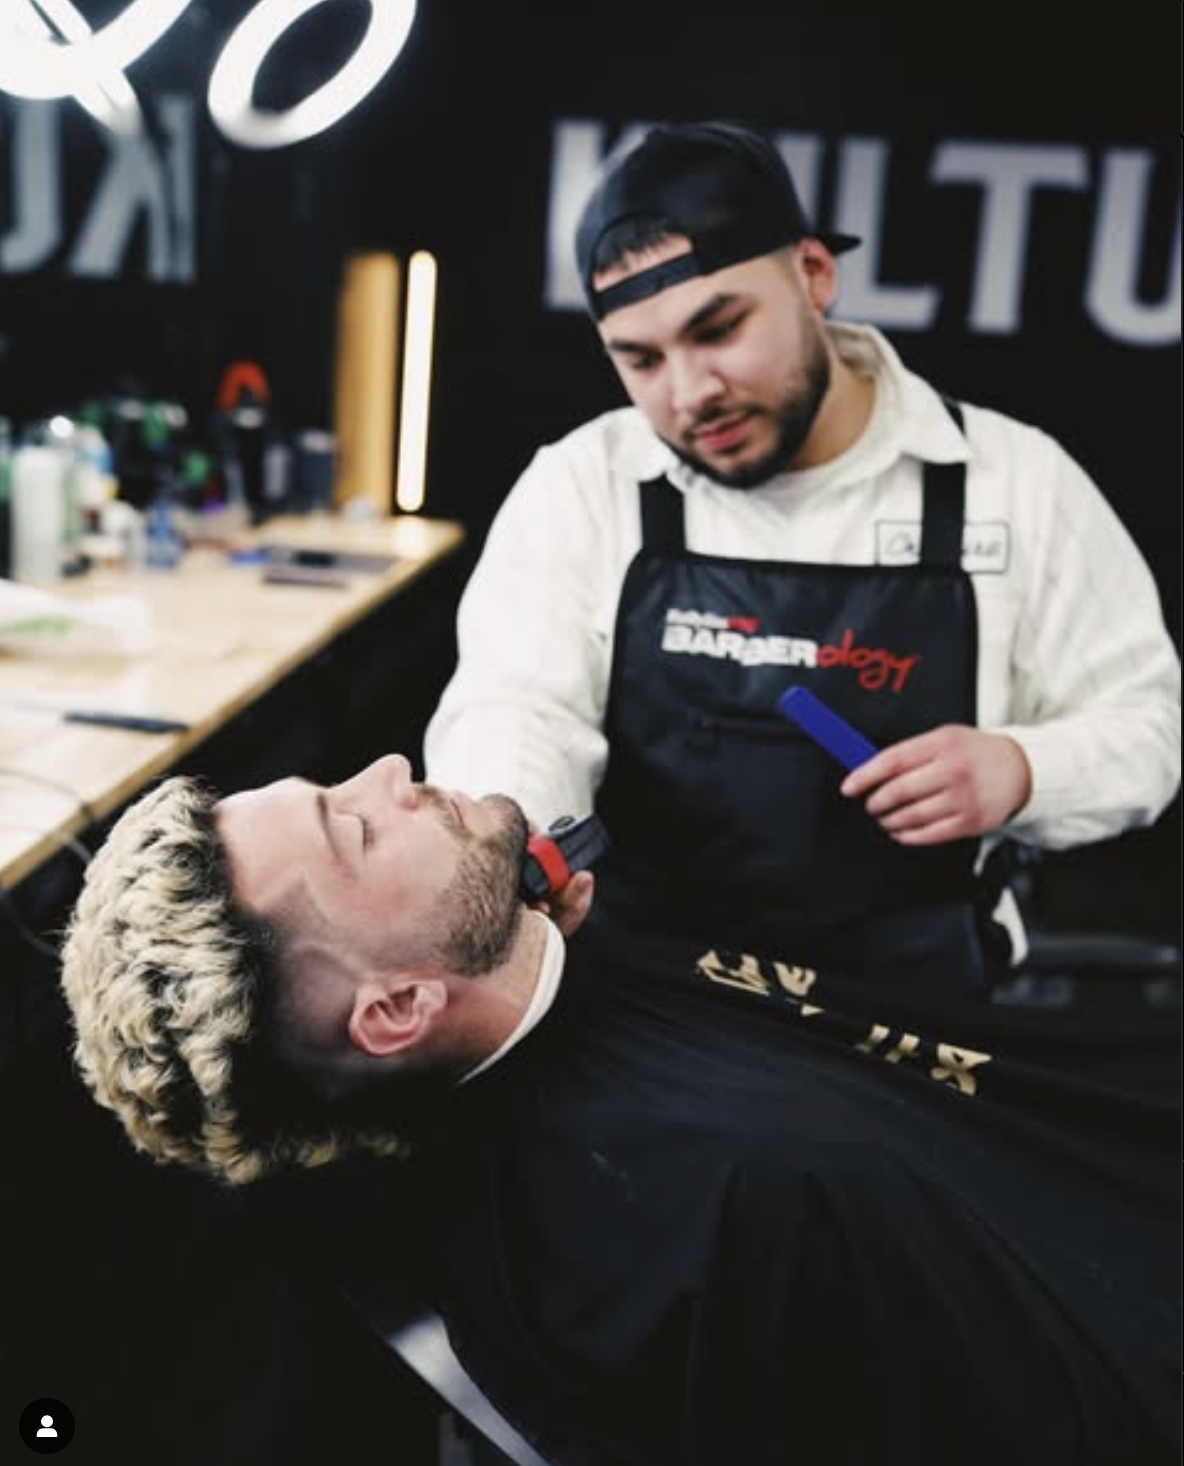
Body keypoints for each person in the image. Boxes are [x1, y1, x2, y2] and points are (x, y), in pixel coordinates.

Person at [58, 753, 1179, 1465]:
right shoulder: (721, 1204)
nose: (389, 768)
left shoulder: (534, 985)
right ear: (398, 1007)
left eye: (334, 785)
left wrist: (521, 921)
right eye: (354, 827)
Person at [424, 118, 1182, 987]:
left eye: (719, 330)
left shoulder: (1015, 483)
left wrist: (1022, 769)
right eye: (640, 360)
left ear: (814, 274)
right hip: (651, 994)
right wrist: (517, 842)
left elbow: (1148, 733)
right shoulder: (585, 485)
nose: (689, 393)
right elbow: (516, 710)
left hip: (923, 1003)